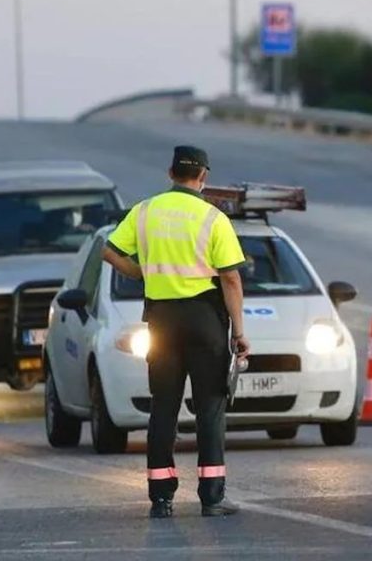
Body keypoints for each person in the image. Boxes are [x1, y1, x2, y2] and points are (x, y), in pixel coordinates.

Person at [102, 145, 248, 519]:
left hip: (162, 321)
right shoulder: (213, 218)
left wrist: (139, 272)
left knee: (163, 408)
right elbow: (230, 277)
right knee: (210, 409)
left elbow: (109, 251)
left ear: (170, 173)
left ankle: (161, 498)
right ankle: (212, 498)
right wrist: (239, 332)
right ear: (203, 177)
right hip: (204, 320)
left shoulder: (145, 211)